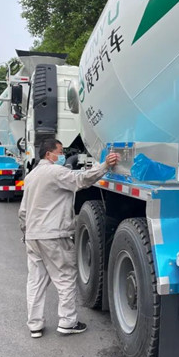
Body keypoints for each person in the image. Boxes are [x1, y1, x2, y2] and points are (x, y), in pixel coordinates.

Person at [18, 139, 119, 338]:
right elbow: (82, 179)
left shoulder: (31, 177)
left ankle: (35, 325)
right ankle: (68, 322)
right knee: (64, 277)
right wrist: (105, 165)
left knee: (36, 281)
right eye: (60, 151)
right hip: (54, 235)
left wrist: (26, 233)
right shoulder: (55, 172)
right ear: (49, 154)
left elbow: (22, 211)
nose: (62, 155)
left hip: (33, 236)